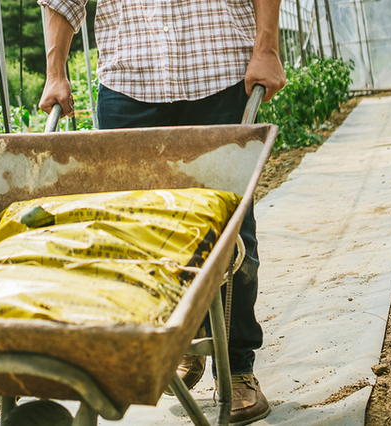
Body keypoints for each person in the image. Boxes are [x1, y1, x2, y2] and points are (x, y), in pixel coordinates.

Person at [37, 0, 286, 424]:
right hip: (131, 84)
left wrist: (267, 46)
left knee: (231, 233)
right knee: (147, 232)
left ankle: (239, 367)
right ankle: (184, 343)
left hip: (220, 70)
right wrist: (55, 73)